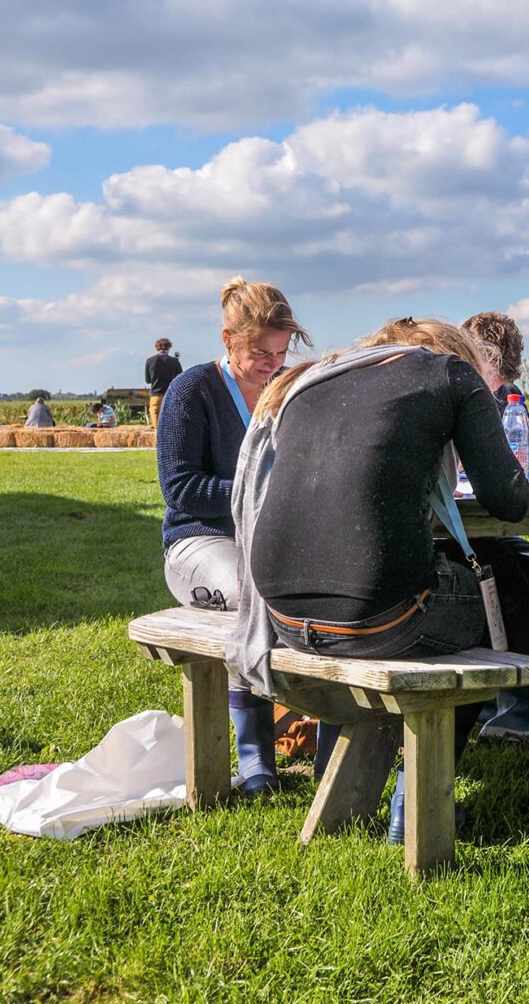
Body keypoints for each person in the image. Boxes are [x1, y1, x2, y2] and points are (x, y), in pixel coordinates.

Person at [234, 317, 529, 839]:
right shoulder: (448, 375)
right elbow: (510, 501)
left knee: (490, 579)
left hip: (283, 617)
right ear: (457, 352)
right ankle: (424, 801)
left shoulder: (314, 378)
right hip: (372, 620)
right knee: (494, 587)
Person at [157, 276, 309, 796]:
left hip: (272, 541)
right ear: (227, 339)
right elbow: (182, 489)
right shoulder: (192, 390)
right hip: (198, 542)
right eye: (259, 351)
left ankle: (324, 723)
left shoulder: (292, 388)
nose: (272, 363)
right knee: (251, 594)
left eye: (281, 351)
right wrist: (267, 492)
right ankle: (255, 759)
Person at [461, 311, 529, 744]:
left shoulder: (509, 399)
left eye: (502, 381)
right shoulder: (455, 389)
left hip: (478, 518)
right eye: (490, 377)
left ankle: (513, 701)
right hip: (448, 530)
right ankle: (510, 701)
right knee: (520, 567)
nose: (495, 388)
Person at [145, 338, 183, 429]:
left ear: (157, 348)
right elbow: (181, 378)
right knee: (170, 426)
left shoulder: (150, 361)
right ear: (169, 348)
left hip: (156, 396)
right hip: (171, 395)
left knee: (157, 427)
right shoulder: (175, 361)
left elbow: (148, 380)